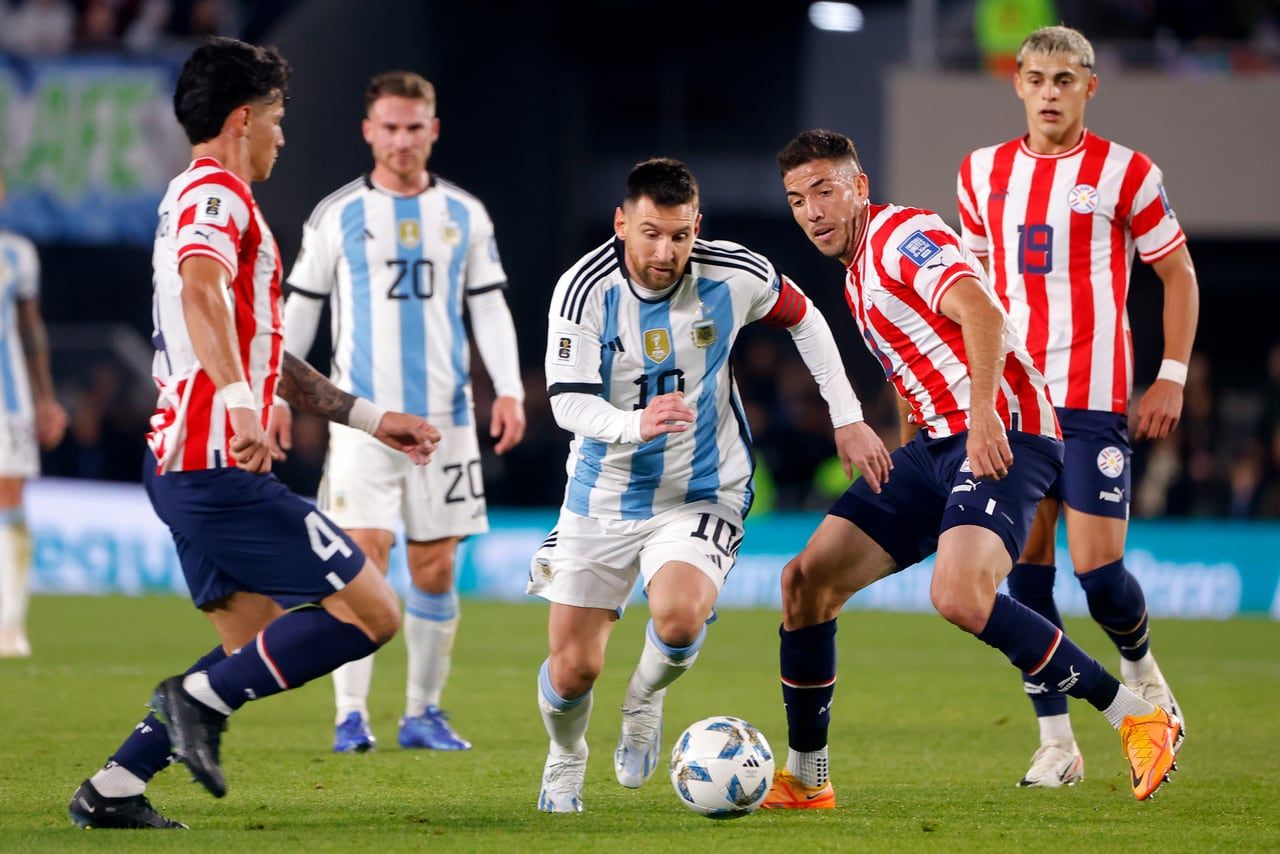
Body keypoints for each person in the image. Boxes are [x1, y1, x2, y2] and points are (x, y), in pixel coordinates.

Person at [67, 37, 439, 830]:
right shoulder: (217, 197)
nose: (282, 135)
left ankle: (115, 788)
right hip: (214, 464)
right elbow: (203, 295)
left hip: (182, 465)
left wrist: (372, 420)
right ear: (242, 119)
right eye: (276, 118)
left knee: (256, 647)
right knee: (373, 615)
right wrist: (240, 403)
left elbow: (268, 350)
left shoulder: (195, 197)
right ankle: (194, 701)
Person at [761, 129, 1182, 809]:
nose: (811, 210)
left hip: (1002, 429)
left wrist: (984, 412)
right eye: (796, 198)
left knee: (959, 595)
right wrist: (906, 454)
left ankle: (1138, 715)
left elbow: (981, 312)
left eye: (824, 190)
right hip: (935, 447)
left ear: (859, 188)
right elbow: (910, 369)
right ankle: (809, 778)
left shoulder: (902, 235)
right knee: (804, 582)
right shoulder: (858, 273)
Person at [529, 157, 892, 813]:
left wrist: (848, 417)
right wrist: (637, 424)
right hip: (602, 493)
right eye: (648, 233)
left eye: (678, 235)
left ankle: (644, 700)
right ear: (621, 223)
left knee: (677, 616)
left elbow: (806, 318)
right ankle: (566, 756)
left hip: (704, 488)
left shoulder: (735, 274)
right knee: (573, 669)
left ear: (699, 226)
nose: (663, 252)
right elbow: (567, 403)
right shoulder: (582, 289)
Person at [956, 25, 1197, 788]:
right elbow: (972, 296)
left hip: (1094, 400)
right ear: (1018, 85)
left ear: (1090, 87)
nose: (1050, 92)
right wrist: (971, 392)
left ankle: (1145, 677)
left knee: (1097, 572)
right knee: (1024, 575)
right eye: (1037, 78)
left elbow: (1178, 274)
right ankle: (1058, 745)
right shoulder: (980, 173)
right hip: (1018, 404)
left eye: (1065, 79)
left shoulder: (1127, 172)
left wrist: (1173, 373)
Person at [276, 70, 524, 754]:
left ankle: (422, 712)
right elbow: (301, 305)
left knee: (438, 567)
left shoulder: (465, 214)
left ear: (433, 129)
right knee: (363, 562)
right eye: (389, 127)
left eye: (415, 127)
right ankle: (349, 715)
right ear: (368, 131)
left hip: (446, 424)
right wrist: (275, 394)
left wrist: (507, 387)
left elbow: (488, 304)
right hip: (362, 423)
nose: (402, 140)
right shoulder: (337, 215)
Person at [0, 170, 69, 657]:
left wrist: (46, 398)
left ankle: (9, 625)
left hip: (9, 399)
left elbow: (31, 330)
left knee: (9, 500)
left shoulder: (17, 254)